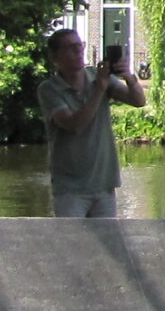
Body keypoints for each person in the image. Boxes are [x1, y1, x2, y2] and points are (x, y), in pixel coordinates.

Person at [38, 28, 142, 218]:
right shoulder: (49, 89)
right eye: (71, 48)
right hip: (70, 188)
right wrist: (100, 89)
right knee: (73, 244)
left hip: (103, 185)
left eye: (80, 46)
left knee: (106, 243)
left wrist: (128, 77)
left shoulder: (98, 76)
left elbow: (138, 101)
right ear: (55, 56)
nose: (78, 52)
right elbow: (74, 125)